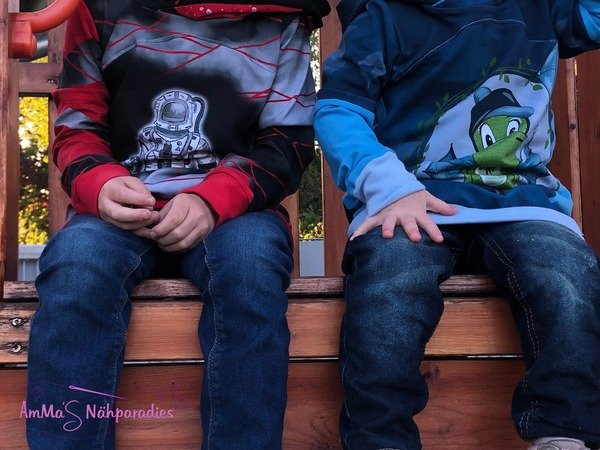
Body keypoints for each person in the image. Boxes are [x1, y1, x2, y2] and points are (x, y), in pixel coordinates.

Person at [25, 0, 329, 448]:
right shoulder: (101, 7)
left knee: (250, 268)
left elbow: (288, 141)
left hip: (235, 211)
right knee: (76, 266)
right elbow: (79, 124)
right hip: (122, 210)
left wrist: (213, 199)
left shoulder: (284, 17)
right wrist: (100, 183)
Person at [314, 0, 600, 448]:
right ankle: (380, 439)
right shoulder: (384, 17)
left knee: (564, 276)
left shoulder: (541, 8)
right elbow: (339, 110)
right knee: (390, 284)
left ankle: (564, 434)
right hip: (410, 199)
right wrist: (389, 186)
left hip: (520, 202)